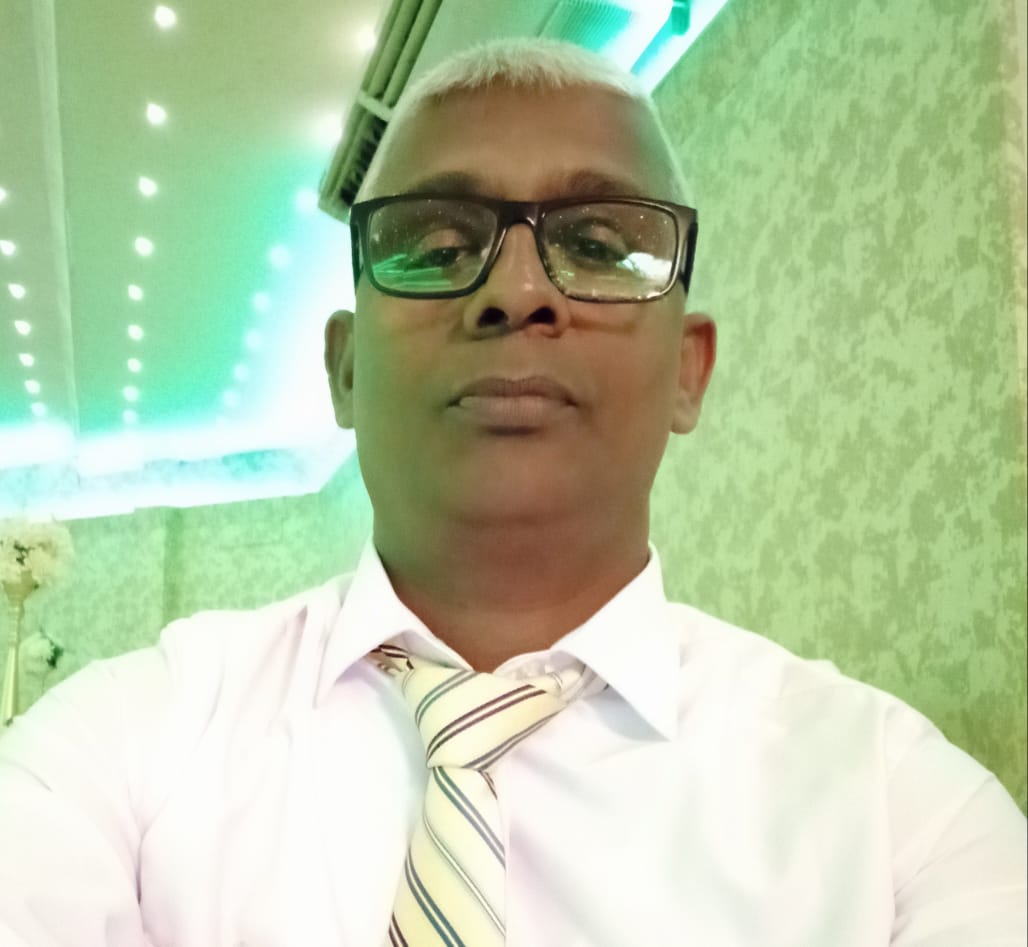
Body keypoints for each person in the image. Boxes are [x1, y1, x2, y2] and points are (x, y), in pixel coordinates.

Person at [0, 37, 1024, 947]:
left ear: (688, 369)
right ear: (346, 369)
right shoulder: (113, 755)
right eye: (437, 246)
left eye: (597, 245)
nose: (516, 289)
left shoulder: (902, 815)